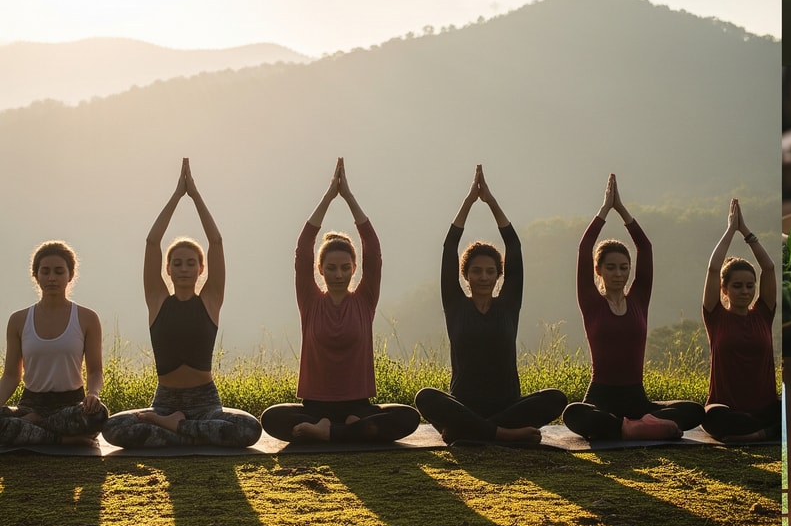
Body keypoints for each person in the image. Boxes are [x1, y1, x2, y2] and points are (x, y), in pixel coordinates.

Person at [102, 160, 263, 449]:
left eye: (191, 263)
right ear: (168, 269)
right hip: (165, 401)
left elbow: (216, 242)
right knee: (113, 428)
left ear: (201, 269)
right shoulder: (157, 300)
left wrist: (196, 196)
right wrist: (177, 195)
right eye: (177, 263)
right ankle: (186, 429)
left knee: (250, 429)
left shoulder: (211, 300)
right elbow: (152, 243)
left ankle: (175, 428)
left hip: (206, 402)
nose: (184, 268)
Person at [261, 159, 420, 443]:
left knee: (409, 417)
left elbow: (373, 251)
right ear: (319, 269)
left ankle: (328, 431)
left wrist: (348, 197)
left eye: (345, 268)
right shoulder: (310, 302)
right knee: (271, 418)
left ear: (354, 269)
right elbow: (303, 248)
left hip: (357, 405)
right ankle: (352, 430)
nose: (338, 274)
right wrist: (328, 197)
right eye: (331, 268)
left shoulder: (364, 300)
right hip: (315, 407)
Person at [414, 166, 567, 444]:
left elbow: (514, 247)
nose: (483, 277)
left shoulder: (508, 305)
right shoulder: (455, 305)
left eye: (489, 271)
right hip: (464, 404)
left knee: (557, 398)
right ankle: (501, 434)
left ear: (499, 275)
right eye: (476, 271)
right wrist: (468, 202)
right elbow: (450, 248)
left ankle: (469, 430)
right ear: (466, 275)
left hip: (507, 406)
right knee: (424, 397)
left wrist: (492, 202)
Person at [562, 174, 704, 441]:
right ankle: (633, 427)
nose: (618, 273)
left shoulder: (638, 299)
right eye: (611, 267)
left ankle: (630, 426)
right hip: (600, 398)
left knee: (695, 410)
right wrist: (605, 209)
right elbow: (584, 248)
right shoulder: (592, 303)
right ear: (598, 270)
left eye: (624, 267)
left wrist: (622, 210)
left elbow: (645, 248)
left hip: (637, 400)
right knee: (573, 413)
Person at [1, 242, 107, 446]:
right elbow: (11, 376)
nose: (51, 278)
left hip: (71, 406)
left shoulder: (87, 318)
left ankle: (34, 430)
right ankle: (64, 439)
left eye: (59, 272)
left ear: (70, 275)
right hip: (31, 406)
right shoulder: (19, 320)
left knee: (99, 415)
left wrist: (93, 394)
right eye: (45, 271)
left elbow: (95, 372)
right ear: (36, 275)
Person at [700, 198, 779, 442]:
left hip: (763, 409)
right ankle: (763, 433)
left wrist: (746, 232)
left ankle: (754, 434)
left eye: (749, 285)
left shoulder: (763, 314)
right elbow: (713, 269)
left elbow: (769, 268)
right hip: (727, 410)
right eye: (737, 286)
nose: (745, 291)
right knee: (711, 418)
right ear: (724, 290)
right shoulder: (715, 317)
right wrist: (729, 231)